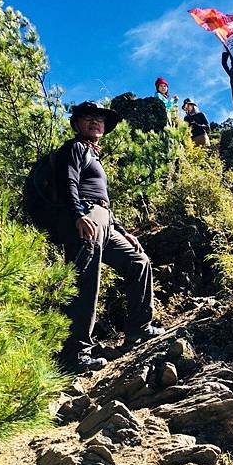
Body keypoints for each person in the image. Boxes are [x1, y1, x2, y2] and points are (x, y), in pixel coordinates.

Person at [56, 101, 164, 374]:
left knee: (139, 261)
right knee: (86, 282)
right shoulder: (75, 148)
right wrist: (76, 216)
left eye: (100, 120)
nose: (95, 122)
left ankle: (139, 329)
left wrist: (124, 232)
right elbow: (68, 183)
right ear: (77, 124)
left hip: (105, 221)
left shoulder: (95, 157)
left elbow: (101, 200)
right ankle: (75, 354)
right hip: (86, 218)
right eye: (89, 118)